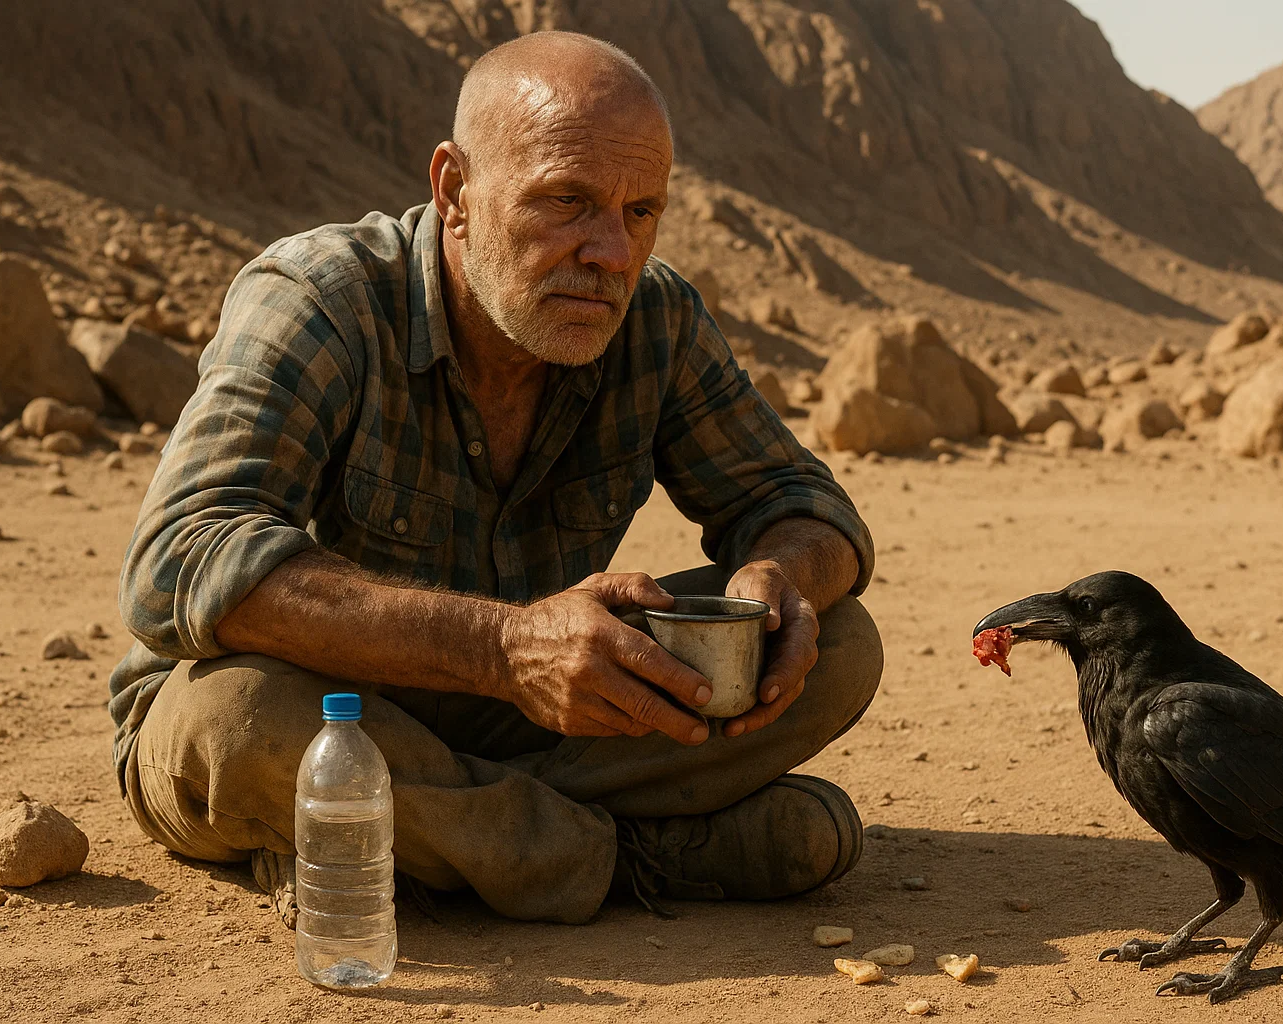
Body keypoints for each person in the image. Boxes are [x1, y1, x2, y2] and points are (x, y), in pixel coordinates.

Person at [108, 30, 881, 927]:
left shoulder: (652, 319)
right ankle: (622, 855)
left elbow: (805, 507)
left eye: (641, 212)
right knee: (236, 721)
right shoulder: (322, 299)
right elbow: (181, 558)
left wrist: (778, 580)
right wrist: (504, 649)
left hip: (530, 722)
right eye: (568, 202)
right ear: (455, 192)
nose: (612, 253)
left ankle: (428, 839)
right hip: (327, 708)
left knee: (838, 642)